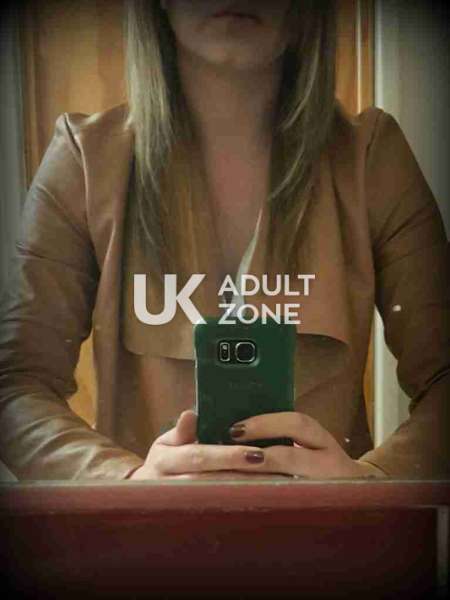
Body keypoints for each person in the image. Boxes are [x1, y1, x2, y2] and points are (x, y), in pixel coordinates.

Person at [0, 0, 448, 481]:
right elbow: (16, 383)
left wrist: (372, 480)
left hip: (330, 528)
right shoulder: (86, 161)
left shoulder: (370, 158)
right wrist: (125, 482)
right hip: (139, 528)